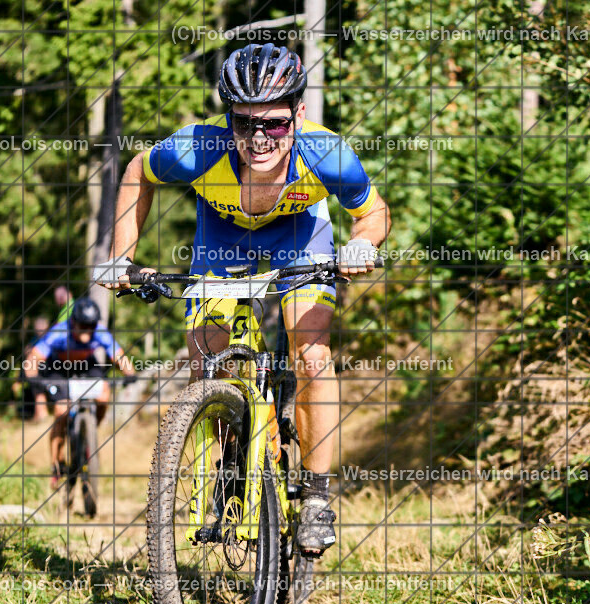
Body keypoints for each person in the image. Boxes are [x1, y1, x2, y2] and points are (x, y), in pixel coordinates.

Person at [96, 43, 390, 556]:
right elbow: (137, 172)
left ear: (298, 113)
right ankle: (227, 459)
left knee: (312, 356)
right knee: (205, 361)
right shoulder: (198, 148)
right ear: (228, 118)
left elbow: (374, 212)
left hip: (300, 238)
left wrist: (362, 243)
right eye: (244, 123)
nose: (259, 139)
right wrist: (122, 258)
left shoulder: (328, 154)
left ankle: (317, 497)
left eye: (274, 124)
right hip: (222, 239)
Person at [24, 298, 135, 488]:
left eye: (90, 326)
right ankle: (56, 466)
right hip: (58, 367)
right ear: (73, 322)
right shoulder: (59, 331)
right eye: (82, 325)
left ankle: (88, 431)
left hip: (87, 365)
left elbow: (119, 356)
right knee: (61, 411)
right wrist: (33, 377)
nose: (86, 330)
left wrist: (129, 373)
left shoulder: (99, 332)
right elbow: (33, 359)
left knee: (103, 394)